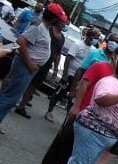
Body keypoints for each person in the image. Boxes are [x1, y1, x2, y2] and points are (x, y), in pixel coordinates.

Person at [37, 45, 118, 164]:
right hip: (83, 109)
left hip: (95, 118)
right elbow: (84, 84)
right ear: (114, 55)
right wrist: (76, 106)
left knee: (76, 148)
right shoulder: (100, 66)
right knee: (64, 139)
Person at [0, 3, 68, 134]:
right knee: (10, 97)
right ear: (53, 18)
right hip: (25, 66)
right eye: (58, 19)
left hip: (28, 67)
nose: (60, 22)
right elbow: (21, 41)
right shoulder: (38, 26)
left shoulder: (45, 28)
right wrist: (30, 62)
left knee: (11, 96)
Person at [14, 13, 66, 119]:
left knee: (34, 85)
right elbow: (23, 41)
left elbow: (58, 53)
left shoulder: (62, 37)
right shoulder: (48, 29)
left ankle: (22, 105)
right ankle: (11, 98)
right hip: (32, 61)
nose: (64, 25)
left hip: (45, 65)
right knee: (19, 82)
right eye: (63, 22)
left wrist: (56, 68)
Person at [44, 27, 101, 122]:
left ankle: (68, 119)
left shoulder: (93, 50)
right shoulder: (78, 44)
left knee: (72, 99)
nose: (96, 40)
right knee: (59, 93)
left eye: (97, 38)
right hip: (70, 74)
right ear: (89, 36)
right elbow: (68, 59)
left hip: (80, 79)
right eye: (95, 37)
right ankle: (49, 111)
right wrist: (65, 74)